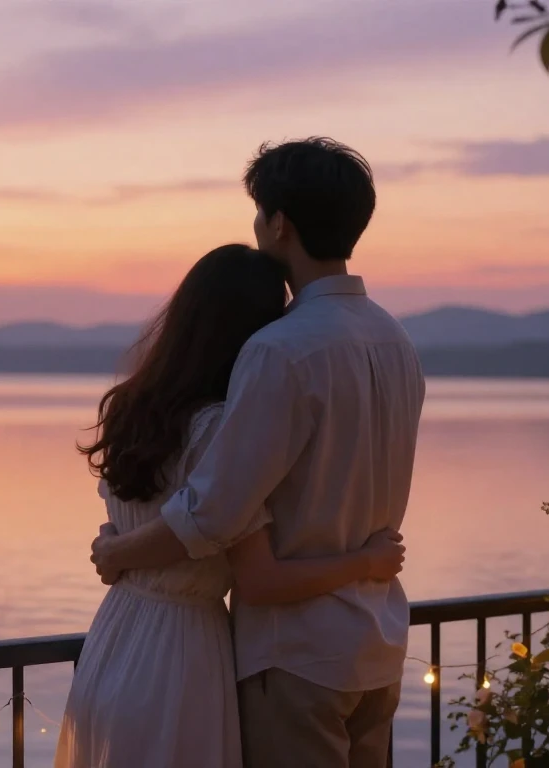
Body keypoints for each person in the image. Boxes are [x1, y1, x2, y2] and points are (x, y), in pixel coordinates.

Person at [89, 138, 426, 768]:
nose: (255, 226)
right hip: (377, 644)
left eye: (258, 213)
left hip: (294, 653)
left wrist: (118, 551)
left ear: (279, 224)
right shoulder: (395, 339)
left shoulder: (280, 350)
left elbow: (212, 512)